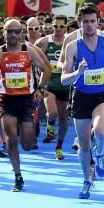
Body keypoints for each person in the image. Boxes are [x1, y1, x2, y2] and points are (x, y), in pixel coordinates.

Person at [61, 6, 104, 199]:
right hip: (81, 97)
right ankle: (87, 180)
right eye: (85, 22)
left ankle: (101, 153)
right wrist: (78, 72)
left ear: (98, 22)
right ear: (80, 24)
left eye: (93, 21)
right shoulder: (73, 46)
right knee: (83, 145)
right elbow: (64, 79)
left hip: (102, 95)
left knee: (100, 132)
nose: (89, 25)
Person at [0, 19, 51, 192]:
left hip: (26, 100)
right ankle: (18, 175)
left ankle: (23, 133)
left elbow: (47, 69)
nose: (13, 35)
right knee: (11, 139)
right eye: (9, 31)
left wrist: (40, 88)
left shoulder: (29, 51)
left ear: (22, 33)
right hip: (6, 100)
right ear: (3, 33)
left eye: (16, 32)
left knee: (27, 144)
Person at [34, 14, 70, 159]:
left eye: (62, 26)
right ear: (51, 27)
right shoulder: (43, 42)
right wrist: (39, 81)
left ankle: (59, 146)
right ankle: (50, 125)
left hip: (66, 86)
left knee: (64, 119)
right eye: (55, 26)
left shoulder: (70, 42)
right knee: (53, 113)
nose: (58, 29)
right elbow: (30, 56)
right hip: (50, 85)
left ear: (66, 27)